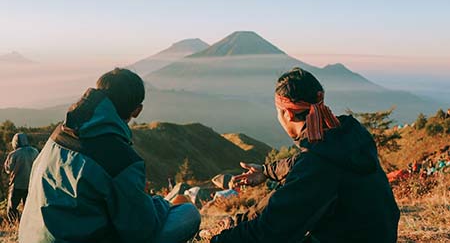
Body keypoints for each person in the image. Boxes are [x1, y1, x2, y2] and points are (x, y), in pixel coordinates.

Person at [209, 67, 400, 243]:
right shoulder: (347, 135)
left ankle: (234, 225)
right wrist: (266, 171)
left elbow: (271, 230)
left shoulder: (318, 164)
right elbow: (301, 163)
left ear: (288, 114)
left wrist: (220, 240)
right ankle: (237, 222)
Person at [19, 68, 200, 243]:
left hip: (33, 237)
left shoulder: (58, 135)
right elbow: (141, 230)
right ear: (137, 110)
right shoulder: (120, 159)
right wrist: (161, 205)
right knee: (188, 213)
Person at [3, 133, 39, 222]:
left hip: (17, 185)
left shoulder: (14, 154)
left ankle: (17, 223)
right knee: (28, 208)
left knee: (11, 209)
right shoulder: (34, 151)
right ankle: (27, 224)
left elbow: (8, 169)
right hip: (31, 185)